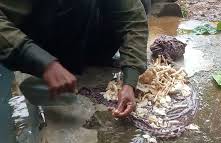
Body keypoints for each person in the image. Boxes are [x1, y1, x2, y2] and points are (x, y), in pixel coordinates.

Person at [0, 0, 148, 118]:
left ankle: (86, 60)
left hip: (89, 36)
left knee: (143, 3)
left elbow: (132, 18)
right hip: (47, 37)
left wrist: (130, 81)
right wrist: (42, 62)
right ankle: (58, 66)